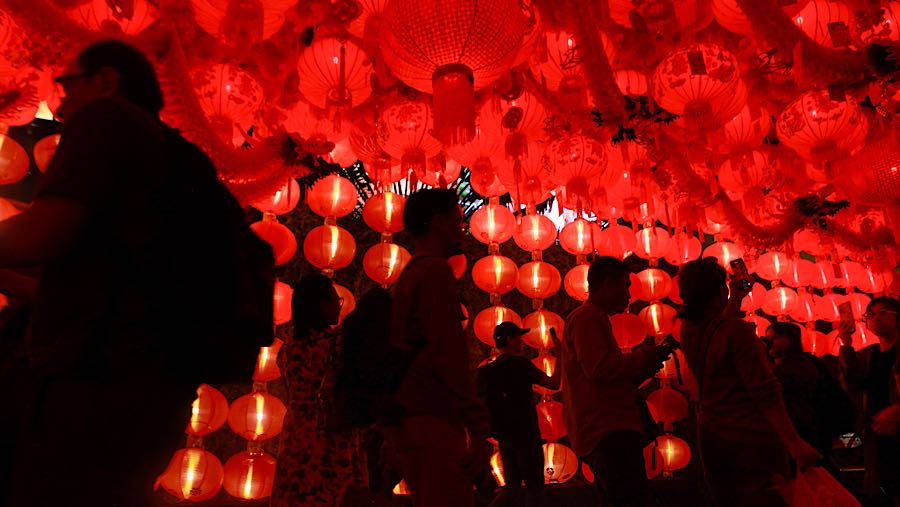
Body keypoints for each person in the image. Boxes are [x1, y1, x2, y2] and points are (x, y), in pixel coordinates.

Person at [0, 40, 228, 506]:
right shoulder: (185, 161)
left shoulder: (109, 120)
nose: (59, 103)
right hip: (156, 395)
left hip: (93, 393)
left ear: (106, 81)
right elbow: (108, 290)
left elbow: (45, 232)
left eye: (66, 85)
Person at [677, 258, 819, 507]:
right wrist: (794, 443)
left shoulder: (688, 330)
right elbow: (765, 391)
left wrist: (735, 299)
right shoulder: (738, 333)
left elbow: (717, 329)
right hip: (752, 439)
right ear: (719, 290)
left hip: (712, 436)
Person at [386, 188, 492, 507]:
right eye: (457, 219)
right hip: (434, 419)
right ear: (437, 223)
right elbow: (448, 354)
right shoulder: (434, 272)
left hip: (410, 418)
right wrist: (476, 424)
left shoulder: (408, 277)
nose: (462, 226)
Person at [561, 256, 676, 507]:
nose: (628, 294)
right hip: (607, 430)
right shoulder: (588, 317)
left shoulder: (593, 318)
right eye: (625, 286)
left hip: (606, 428)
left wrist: (643, 365)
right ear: (607, 284)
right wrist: (643, 356)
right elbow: (600, 369)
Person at [271, 273, 363, 506]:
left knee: (296, 493)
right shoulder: (336, 343)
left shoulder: (288, 348)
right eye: (335, 300)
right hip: (329, 432)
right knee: (333, 493)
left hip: (296, 434)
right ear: (321, 305)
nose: (338, 306)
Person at [476, 322, 561, 507]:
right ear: (510, 339)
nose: (522, 342)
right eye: (519, 337)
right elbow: (553, 384)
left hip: (504, 435)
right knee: (535, 488)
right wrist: (560, 355)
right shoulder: (521, 365)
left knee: (512, 488)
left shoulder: (488, 371)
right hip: (526, 433)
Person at [838, 296, 900, 506]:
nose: (875, 318)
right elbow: (852, 382)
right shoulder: (869, 354)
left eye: (883, 312)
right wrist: (846, 342)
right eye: (870, 315)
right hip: (877, 433)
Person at [766, 322, 830, 458]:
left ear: (791, 339)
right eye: (768, 338)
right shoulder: (777, 366)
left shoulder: (798, 365)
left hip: (799, 428)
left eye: (775, 337)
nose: (769, 342)